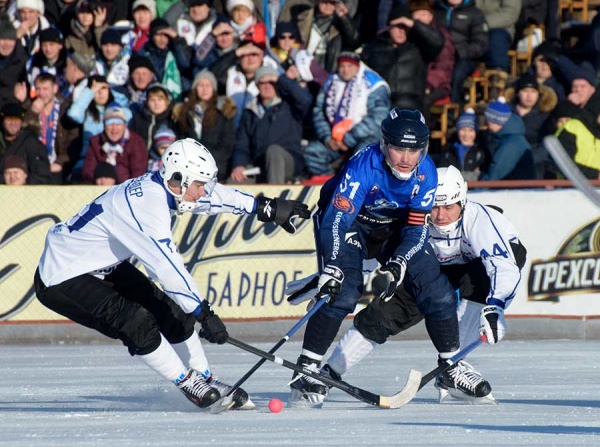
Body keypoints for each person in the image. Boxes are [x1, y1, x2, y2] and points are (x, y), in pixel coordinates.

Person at [34, 138, 311, 410]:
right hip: (61, 276)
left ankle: (205, 379)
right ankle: (187, 381)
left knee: (174, 314)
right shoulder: (146, 208)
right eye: (200, 185)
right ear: (179, 178)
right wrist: (204, 313)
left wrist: (263, 207)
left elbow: (207, 198)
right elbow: (167, 267)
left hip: (102, 266)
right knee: (136, 322)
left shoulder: (164, 186)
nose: (203, 191)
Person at [306, 165, 527, 404]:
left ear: (463, 201)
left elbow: (503, 267)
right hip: (426, 271)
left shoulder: (480, 220)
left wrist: (495, 306)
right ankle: (329, 373)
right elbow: (366, 257)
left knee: (482, 278)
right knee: (383, 315)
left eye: (449, 207)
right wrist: (328, 277)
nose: (441, 216)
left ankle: (452, 367)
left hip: (472, 272)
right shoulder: (411, 220)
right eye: (434, 206)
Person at [287, 108, 463, 407]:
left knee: (436, 289)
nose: (406, 158)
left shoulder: (427, 172)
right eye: (398, 149)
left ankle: (451, 368)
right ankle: (307, 368)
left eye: (414, 150)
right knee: (343, 291)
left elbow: (416, 228)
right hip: (348, 223)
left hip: (392, 227)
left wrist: (399, 262)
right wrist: (331, 266)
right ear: (384, 145)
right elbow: (336, 221)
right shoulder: (364, 166)